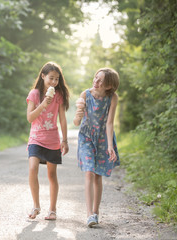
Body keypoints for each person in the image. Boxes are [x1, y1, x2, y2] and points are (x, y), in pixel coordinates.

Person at [73, 67, 120, 227]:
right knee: (89, 173)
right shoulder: (85, 95)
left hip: (102, 137)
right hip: (86, 136)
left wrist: (110, 146)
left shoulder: (112, 98)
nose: (96, 81)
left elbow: (109, 122)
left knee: (98, 175)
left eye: (100, 80)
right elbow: (76, 123)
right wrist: (77, 116)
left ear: (108, 86)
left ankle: (95, 212)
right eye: (95, 77)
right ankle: (88, 215)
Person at [26, 62, 69, 220]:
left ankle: (52, 210)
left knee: (52, 175)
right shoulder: (34, 94)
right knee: (32, 168)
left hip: (52, 140)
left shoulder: (59, 96)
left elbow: (62, 119)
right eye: (51, 78)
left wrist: (64, 140)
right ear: (43, 76)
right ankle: (36, 205)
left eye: (57, 79)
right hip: (36, 138)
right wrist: (43, 104)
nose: (54, 82)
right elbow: (30, 118)